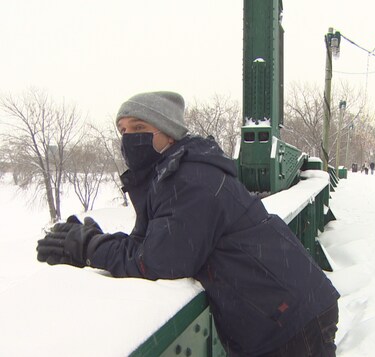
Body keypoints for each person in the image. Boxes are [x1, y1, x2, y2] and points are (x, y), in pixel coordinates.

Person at [36, 91, 340, 357]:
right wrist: (95, 239)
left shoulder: (190, 181)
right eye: (123, 129)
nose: (128, 137)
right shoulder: (172, 175)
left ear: (169, 134)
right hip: (280, 312)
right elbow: (151, 243)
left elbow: (157, 261)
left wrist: (88, 247)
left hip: (289, 321)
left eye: (139, 127)